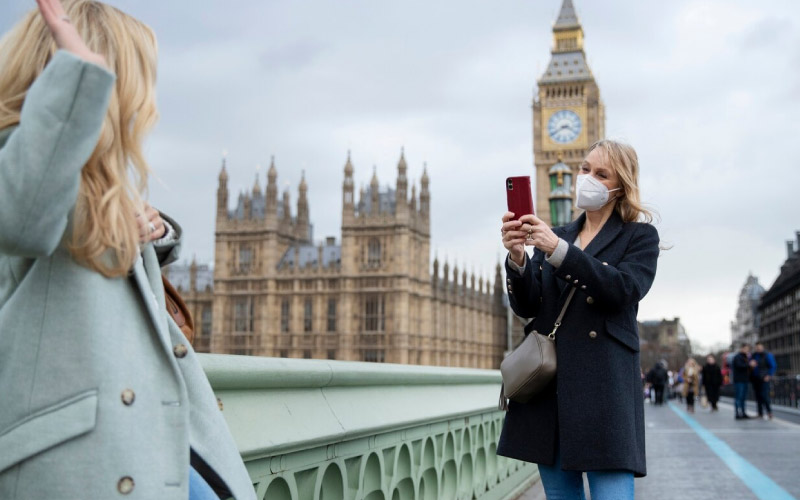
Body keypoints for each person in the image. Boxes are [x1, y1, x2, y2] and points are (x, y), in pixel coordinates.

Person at [0, 1, 255, 498]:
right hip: (79, 460)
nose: (145, 107)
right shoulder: (24, 170)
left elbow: (97, 276)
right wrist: (79, 82)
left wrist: (153, 234)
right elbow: (25, 216)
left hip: (148, 435)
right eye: (133, 88)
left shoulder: (90, 187)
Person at [497, 139, 660, 499]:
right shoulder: (560, 235)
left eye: (601, 174)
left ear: (620, 186)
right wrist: (519, 259)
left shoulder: (639, 238)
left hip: (605, 392)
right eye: (585, 169)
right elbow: (529, 306)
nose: (587, 178)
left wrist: (558, 252)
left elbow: (621, 289)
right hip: (551, 391)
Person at [750, 342, 777, 420]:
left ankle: (769, 412)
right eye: (757, 347)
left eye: (759, 347)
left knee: (765, 395)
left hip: (764, 378)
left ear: (762, 347)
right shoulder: (754, 355)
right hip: (755, 379)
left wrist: (769, 375)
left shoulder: (767, 355)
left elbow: (773, 366)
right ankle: (760, 413)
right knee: (758, 396)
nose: (758, 348)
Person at [732, 344, 752, 420]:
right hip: (739, 380)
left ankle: (743, 413)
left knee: (743, 397)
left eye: (748, 349)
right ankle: (737, 413)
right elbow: (739, 366)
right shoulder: (738, 357)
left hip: (745, 380)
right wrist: (749, 364)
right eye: (746, 349)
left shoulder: (746, 357)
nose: (747, 351)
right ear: (742, 349)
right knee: (739, 397)